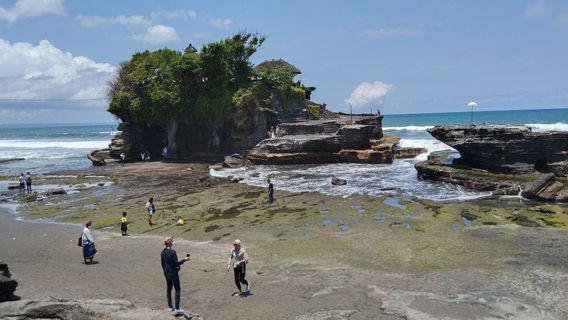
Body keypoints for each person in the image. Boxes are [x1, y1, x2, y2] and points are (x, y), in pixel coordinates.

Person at [161, 236, 190, 315]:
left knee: (169, 289)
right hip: (173, 273)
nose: (172, 240)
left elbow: (162, 264)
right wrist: (185, 259)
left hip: (166, 273)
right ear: (169, 242)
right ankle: (177, 308)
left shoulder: (162, 252)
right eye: (171, 239)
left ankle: (170, 307)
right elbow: (176, 264)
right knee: (177, 289)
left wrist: (165, 272)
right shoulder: (173, 252)